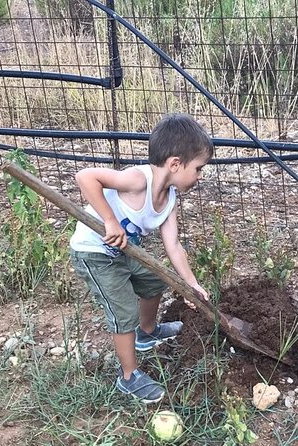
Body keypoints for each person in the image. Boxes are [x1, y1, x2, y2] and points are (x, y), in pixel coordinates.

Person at [69, 113, 213, 404]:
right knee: (123, 314)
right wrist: (110, 221)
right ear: (175, 164)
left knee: (152, 279)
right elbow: (85, 177)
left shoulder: (170, 199)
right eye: (198, 169)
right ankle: (128, 376)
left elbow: (173, 246)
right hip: (94, 253)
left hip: (122, 252)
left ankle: (146, 333)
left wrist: (192, 284)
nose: (200, 176)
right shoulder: (137, 180)